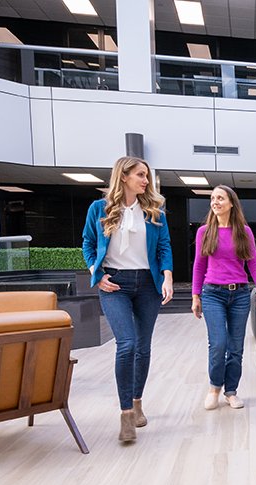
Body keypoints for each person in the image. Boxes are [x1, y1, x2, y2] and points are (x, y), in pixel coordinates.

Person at [82, 156, 174, 443]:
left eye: (146, 175)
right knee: (127, 344)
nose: (145, 180)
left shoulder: (153, 211)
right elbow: (87, 242)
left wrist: (168, 276)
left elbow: (164, 246)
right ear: (123, 176)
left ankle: (137, 402)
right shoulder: (99, 208)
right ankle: (125, 416)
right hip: (113, 284)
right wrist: (96, 273)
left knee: (143, 347)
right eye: (140, 175)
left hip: (148, 284)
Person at [192, 185, 256, 410]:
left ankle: (231, 391)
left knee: (235, 346)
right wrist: (196, 295)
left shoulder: (244, 232)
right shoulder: (204, 232)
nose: (215, 202)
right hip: (212, 293)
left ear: (231, 203)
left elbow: (253, 262)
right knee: (218, 343)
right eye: (213, 198)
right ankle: (214, 387)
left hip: (240, 295)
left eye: (220, 198)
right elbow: (199, 264)